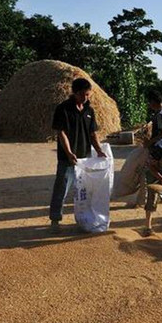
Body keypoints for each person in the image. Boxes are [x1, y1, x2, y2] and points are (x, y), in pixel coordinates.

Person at [49, 78, 107, 233]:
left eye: (88, 95)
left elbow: (93, 133)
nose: (86, 98)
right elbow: (61, 132)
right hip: (67, 158)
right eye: (83, 94)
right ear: (74, 92)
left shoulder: (89, 111)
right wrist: (68, 152)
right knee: (62, 188)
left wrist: (99, 150)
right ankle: (55, 219)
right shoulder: (63, 109)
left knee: (85, 191)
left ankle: (85, 218)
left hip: (85, 158)